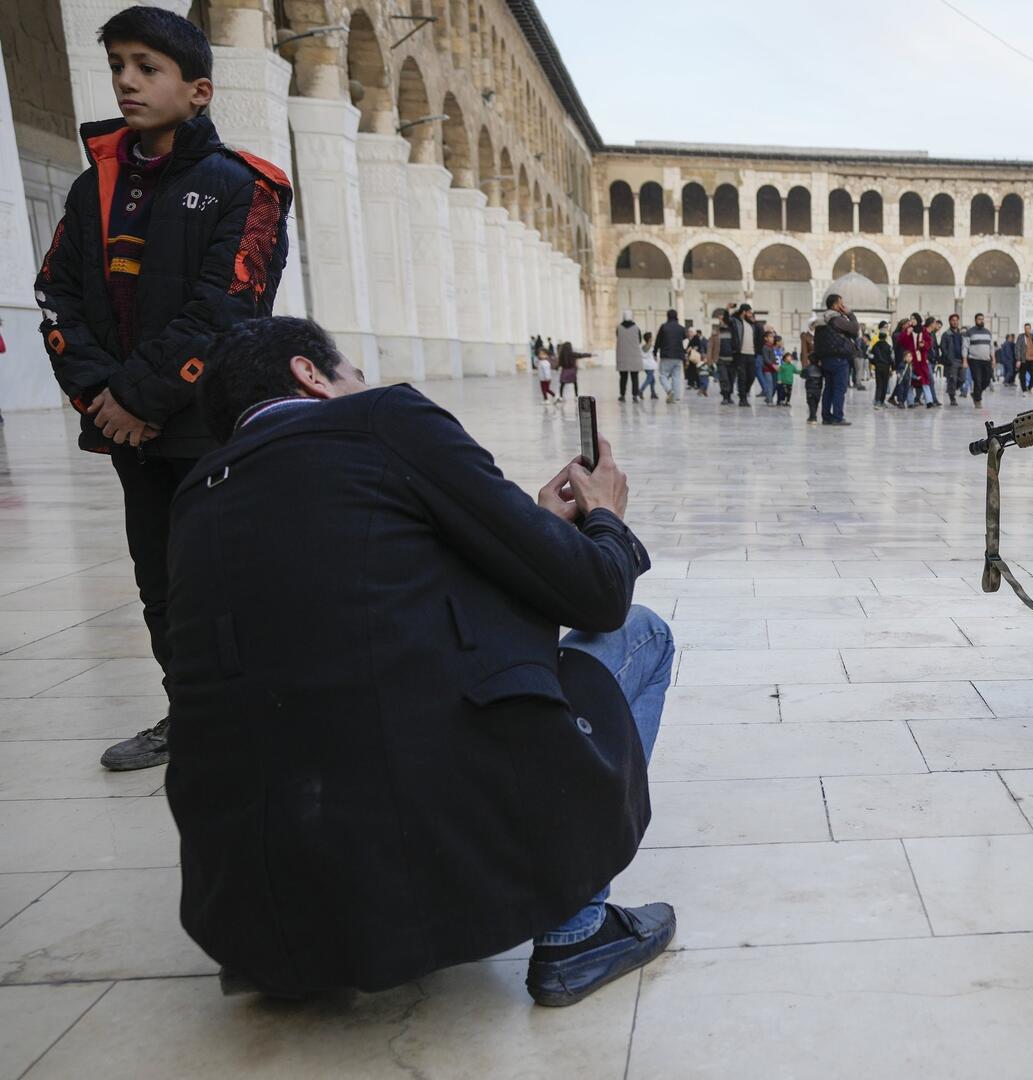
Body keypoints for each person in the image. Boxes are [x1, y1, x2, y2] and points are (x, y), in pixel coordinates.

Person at [175, 315, 673, 1006]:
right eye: (352, 372)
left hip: (254, 922)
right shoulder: (384, 420)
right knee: (644, 636)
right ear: (309, 374)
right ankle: (578, 931)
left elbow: (378, 597)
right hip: (412, 838)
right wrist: (607, 521)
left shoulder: (198, 493)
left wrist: (530, 526)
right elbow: (597, 596)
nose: (362, 384)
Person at [35, 5, 293, 771]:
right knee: (161, 585)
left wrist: (139, 399)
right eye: (119, 65)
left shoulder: (245, 188)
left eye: (148, 67)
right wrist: (101, 402)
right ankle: (192, 718)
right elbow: (56, 297)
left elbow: (227, 307)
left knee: (228, 577)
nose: (127, 81)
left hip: (208, 423)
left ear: (200, 90)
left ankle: (264, 717)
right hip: (128, 433)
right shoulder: (94, 190)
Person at [812, 293, 858, 426]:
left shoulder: (821, 320)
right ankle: (838, 416)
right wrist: (850, 314)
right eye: (841, 303)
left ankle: (826, 416)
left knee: (829, 388)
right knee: (839, 389)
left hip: (826, 359)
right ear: (835, 305)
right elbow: (855, 329)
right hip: (839, 358)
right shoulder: (836, 319)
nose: (843, 305)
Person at [730, 304, 761, 406]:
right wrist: (728, 309)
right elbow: (728, 319)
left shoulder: (752, 324)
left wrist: (754, 321)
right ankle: (742, 398)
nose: (751, 314)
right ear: (744, 312)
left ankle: (745, 392)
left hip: (751, 354)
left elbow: (759, 334)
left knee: (751, 376)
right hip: (741, 354)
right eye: (749, 312)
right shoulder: (736, 322)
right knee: (742, 377)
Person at [653, 310, 686, 403]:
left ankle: (669, 390)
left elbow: (658, 341)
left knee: (663, 375)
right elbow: (684, 336)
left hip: (666, 355)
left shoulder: (664, 327)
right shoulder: (681, 328)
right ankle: (676, 397)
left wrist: (655, 352)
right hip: (678, 356)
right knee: (676, 377)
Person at [965, 313, 997, 408]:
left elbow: (991, 347)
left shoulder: (988, 332)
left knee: (987, 380)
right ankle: (977, 400)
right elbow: (965, 346)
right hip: (974, 360)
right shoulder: (970, 332)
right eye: (979, 319)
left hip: (986, 360)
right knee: (977, 380)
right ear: (975, 320)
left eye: (982, 319)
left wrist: (994, 359)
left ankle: (975, 393)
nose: (981, 321)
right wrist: (964, 360)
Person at [614, 311, 645, 401]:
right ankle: (635, 395)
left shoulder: (618, 328)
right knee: (634, 377)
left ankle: (622, 395)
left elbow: (618, 337)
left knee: (623, 377)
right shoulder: (636, 328)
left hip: (622, 355)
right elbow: (639, 340)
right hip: (634, 356)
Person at [940, 313, 966, 405]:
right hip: (952, 360)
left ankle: (951, 389)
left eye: (956, 320)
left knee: (963, 379)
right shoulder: (946, 334)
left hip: (961, 360)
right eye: (953, 320)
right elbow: (943, 347)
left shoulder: (962, 334)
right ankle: (952, 398)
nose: (955, 322)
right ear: (950, 322)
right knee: (952, 379)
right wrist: (948, 357)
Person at [711, 308, 736, 404]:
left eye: (723, 319)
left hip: (732, 359)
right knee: (724, 378)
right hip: (721, 359)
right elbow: (711, 345)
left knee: (731, 379)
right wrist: (711, 359)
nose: (722, 322)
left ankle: (729, 396)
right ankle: (725, 396)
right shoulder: (716, 331)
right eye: (720, 320)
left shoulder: (733, 331)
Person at [869, 325, 894, 409]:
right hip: (886, 367)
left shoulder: (875, 346)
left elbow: (870, 356)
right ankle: (882, 401)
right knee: (885, 384)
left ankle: (877, 400)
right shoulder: (889, 347)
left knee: (878, 384)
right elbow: (892, 358)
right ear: (886, 337)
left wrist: (874, 363)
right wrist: (892, 367)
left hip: (878, 367)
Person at [801, 353, 825, 422]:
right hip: (818, 389)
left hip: (810, 389)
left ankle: (813, 417)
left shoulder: (807, 368)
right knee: (816, 402)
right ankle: (813, 416)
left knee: (811, 403)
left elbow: (802, 375)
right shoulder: (820, 369)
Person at [1016, 322, 1033, 392]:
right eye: (1025, 328)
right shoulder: (1021, 337)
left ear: (1030, 329)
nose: (1027, 330)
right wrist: (1018, 359)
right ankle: (1024, 390)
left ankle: (1029, 387)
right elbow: (1017, 348)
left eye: (1028, 328)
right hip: (1023, 360)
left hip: (1032, 359)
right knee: (1022, 375)